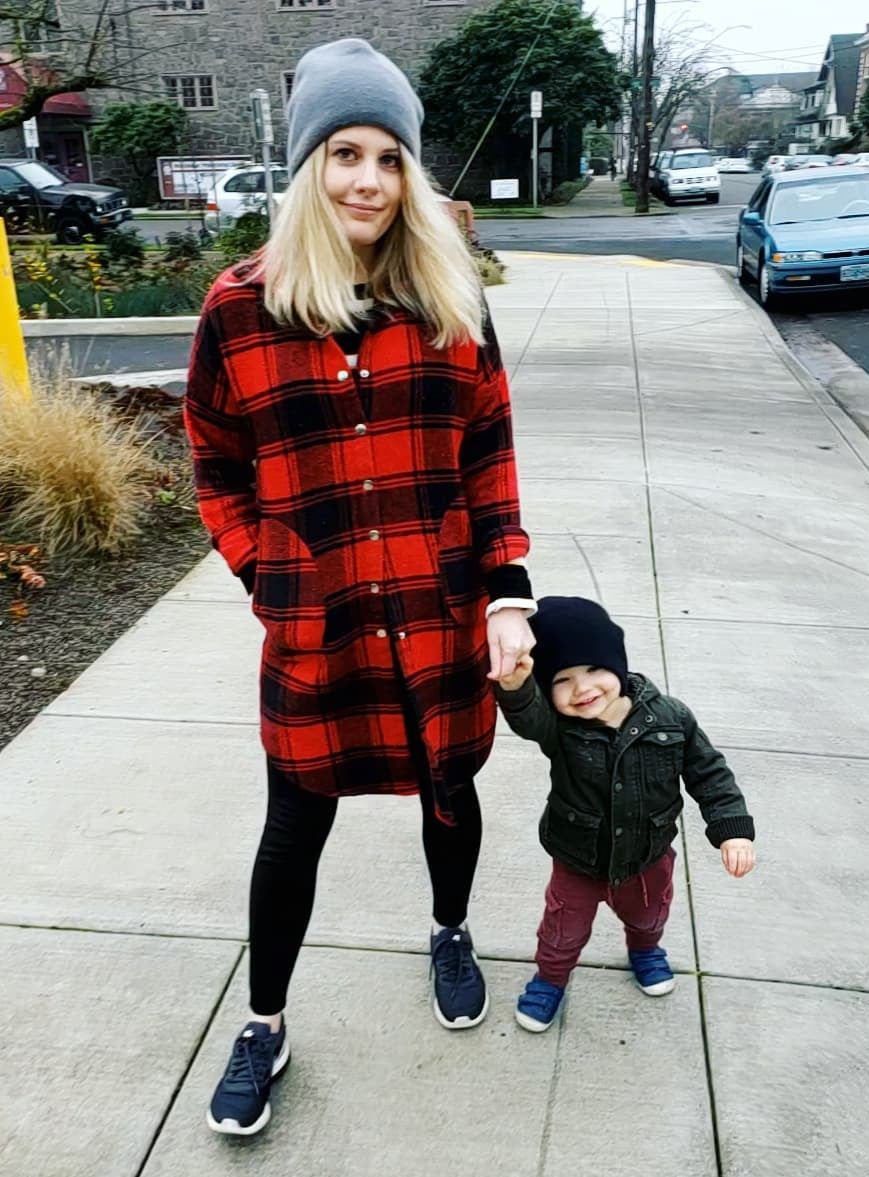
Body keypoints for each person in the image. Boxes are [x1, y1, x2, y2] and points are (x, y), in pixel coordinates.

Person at [184, 38, 536, 1136]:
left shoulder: (450, 304)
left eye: (390, 156)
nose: (368, 179)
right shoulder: (239, 311)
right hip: (319, 624)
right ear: (307, 166)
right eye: (344, 152)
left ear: (412, 173)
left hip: (435, 613)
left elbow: (489, 456)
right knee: (294, 825)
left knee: (454, 788)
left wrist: (508, 591)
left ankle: (448, 929)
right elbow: (212, 463)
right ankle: (265, 1021)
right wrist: (266, 572)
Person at [493, 596, 755, 1032]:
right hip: (578, 858)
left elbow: (709, 772)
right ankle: (550, 978)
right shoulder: (559, 729)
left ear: (617, 662)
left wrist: (732, 830)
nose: (582, 689)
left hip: (647, 854)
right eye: (562, 679)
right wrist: (517, 688)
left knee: (648, 914)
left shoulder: (671, 717)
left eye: (594, 669)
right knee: (563, 930)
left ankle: (645, 949)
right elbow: (527, 718)